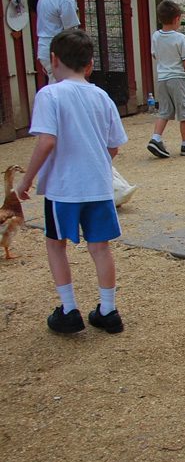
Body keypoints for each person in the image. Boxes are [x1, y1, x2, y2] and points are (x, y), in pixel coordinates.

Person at [17, 27, 127, 335]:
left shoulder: (50, 94)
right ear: (90, 64)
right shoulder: (101, 96)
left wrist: (26, 181)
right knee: (100, 248)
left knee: (56, 244)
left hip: (63, 188)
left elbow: (46, 142)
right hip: (98, 186)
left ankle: (69, 310)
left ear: (53, 60)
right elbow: (114, 146)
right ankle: (108, 311)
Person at [147, 0, 185, 158]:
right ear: (177, 19)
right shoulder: (180, 38)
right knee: (184, 112)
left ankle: (156, 138)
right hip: (177, 78)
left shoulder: (156, 36)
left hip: (162, 79)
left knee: (164, 111)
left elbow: (155, 55)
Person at [36, 0, 89, 82]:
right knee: (63, 87)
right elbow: (71, 31)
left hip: (46, 50)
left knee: (55, 84)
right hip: (59, 51)